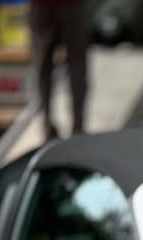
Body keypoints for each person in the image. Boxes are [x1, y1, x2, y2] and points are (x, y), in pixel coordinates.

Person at [30, 0, 92, 143]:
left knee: (43, 66)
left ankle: (47, 127)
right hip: (72, 6)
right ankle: (78, 128)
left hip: (42, 6)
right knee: (77, 64)